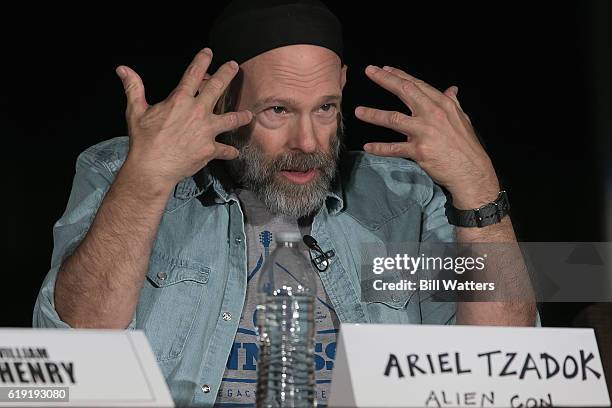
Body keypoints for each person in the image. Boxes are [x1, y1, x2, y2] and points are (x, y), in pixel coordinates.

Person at [33, 0, 537, 406]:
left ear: (342, 85)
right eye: (277, 110)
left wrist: (479, 191)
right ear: (225, 98)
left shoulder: (403, 198)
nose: (309, 141)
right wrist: (144, 182)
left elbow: (505, 365)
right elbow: (68, 357)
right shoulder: (121, 170)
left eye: (325, 108)